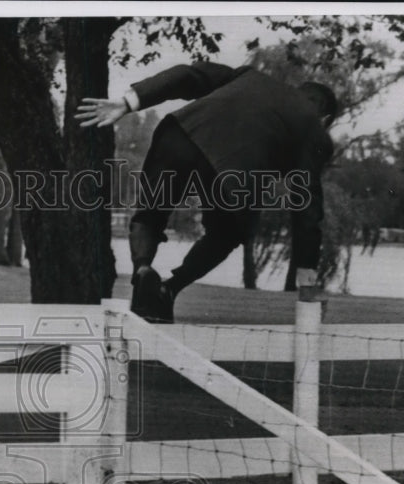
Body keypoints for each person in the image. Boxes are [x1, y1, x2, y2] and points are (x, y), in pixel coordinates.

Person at [77, 62, 338, 322]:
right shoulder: (313, 128)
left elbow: (187, 74)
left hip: (178, 135)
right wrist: (307, 279)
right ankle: (170, 287)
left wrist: (128, 102)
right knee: (228, 234)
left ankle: (143, 269)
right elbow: (307, 208)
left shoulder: (249, 76)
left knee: (150, 215)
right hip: (233, 171)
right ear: (325, 119)